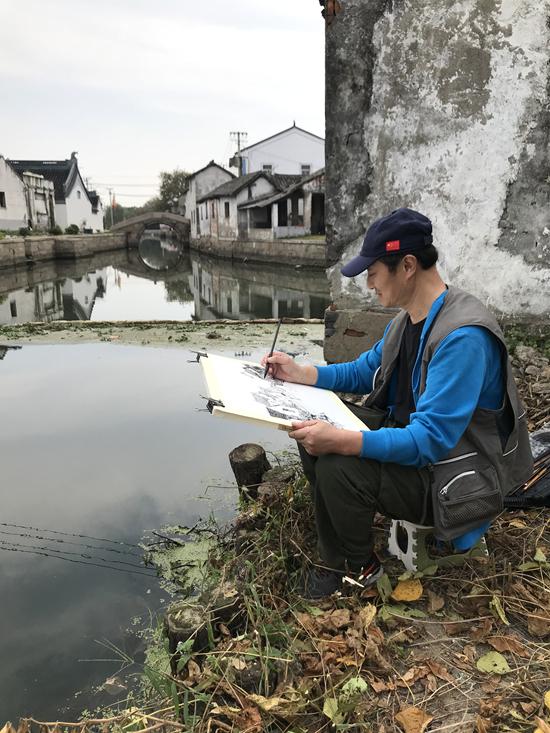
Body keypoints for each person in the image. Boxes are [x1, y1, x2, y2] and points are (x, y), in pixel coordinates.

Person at [262, 208, 533, 599]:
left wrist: (344, 441)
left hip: (453, 479)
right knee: (309, 428)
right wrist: (299, 373)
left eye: (373, 273)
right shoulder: (406, 320)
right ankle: (335, 548)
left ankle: (359, 566)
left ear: (407, 265)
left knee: (339, 464)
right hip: (419, 451)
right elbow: (364, 370)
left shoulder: (463, 338)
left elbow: (430, 441)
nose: (369, 284)